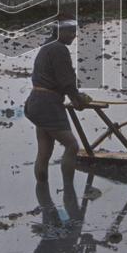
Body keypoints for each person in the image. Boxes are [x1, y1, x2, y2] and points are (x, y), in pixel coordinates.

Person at [24, 16, 93, 184]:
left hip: (35, 102)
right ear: (58, 31)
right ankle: (69, 192)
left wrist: (75, 96)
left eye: (74, 31)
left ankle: (43, 194)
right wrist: (77, 99)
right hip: (48, 104)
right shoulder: (59, 49)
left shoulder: (47, 46)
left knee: (44, 151)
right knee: (72, 146)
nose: (73, 35)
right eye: (70, 31)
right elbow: (66, 80)